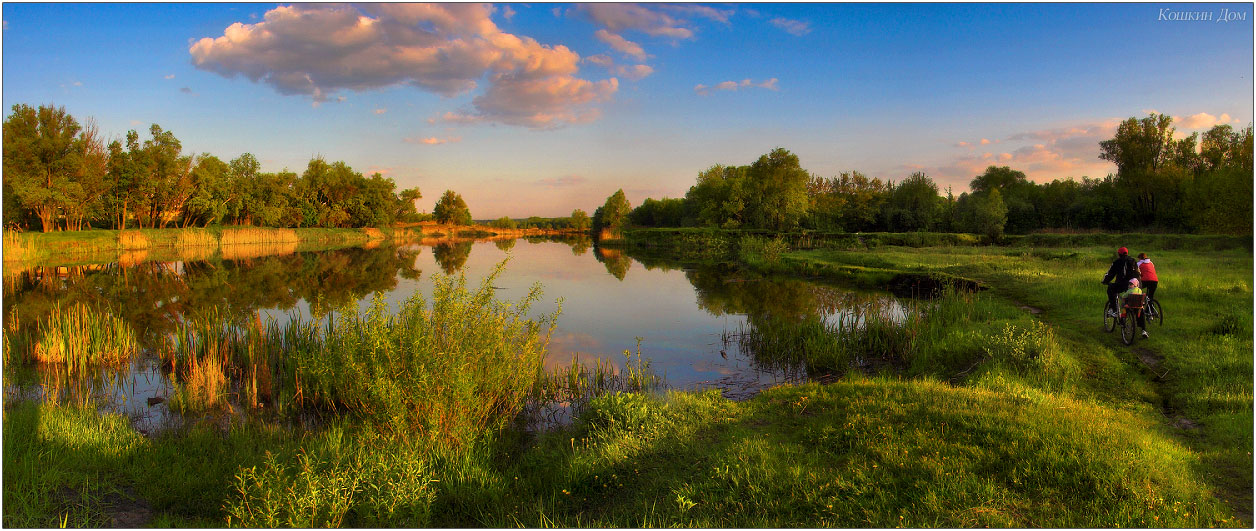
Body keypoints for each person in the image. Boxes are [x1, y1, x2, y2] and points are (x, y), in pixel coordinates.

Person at [1101, 246, 1140, 317]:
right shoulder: (1133, 260)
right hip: (1135, 284)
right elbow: (1138, 272)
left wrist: (1105, 281)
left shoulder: (1117, 262)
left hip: (1123, 283)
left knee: (1111, 289)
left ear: (1119, 254)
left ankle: (1114, 310)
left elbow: (1110, 273)